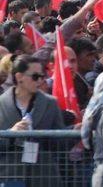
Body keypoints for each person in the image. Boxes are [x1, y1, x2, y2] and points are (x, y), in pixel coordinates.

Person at [0, 56, 65, 185]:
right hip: (10, 175)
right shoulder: (1, 103)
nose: (40, 81)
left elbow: (61, 143)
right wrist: (10, 134)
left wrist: (72, 132)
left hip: (43, 175)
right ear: (19, 77)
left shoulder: (50, 103)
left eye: (42, 76)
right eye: (35, 77)